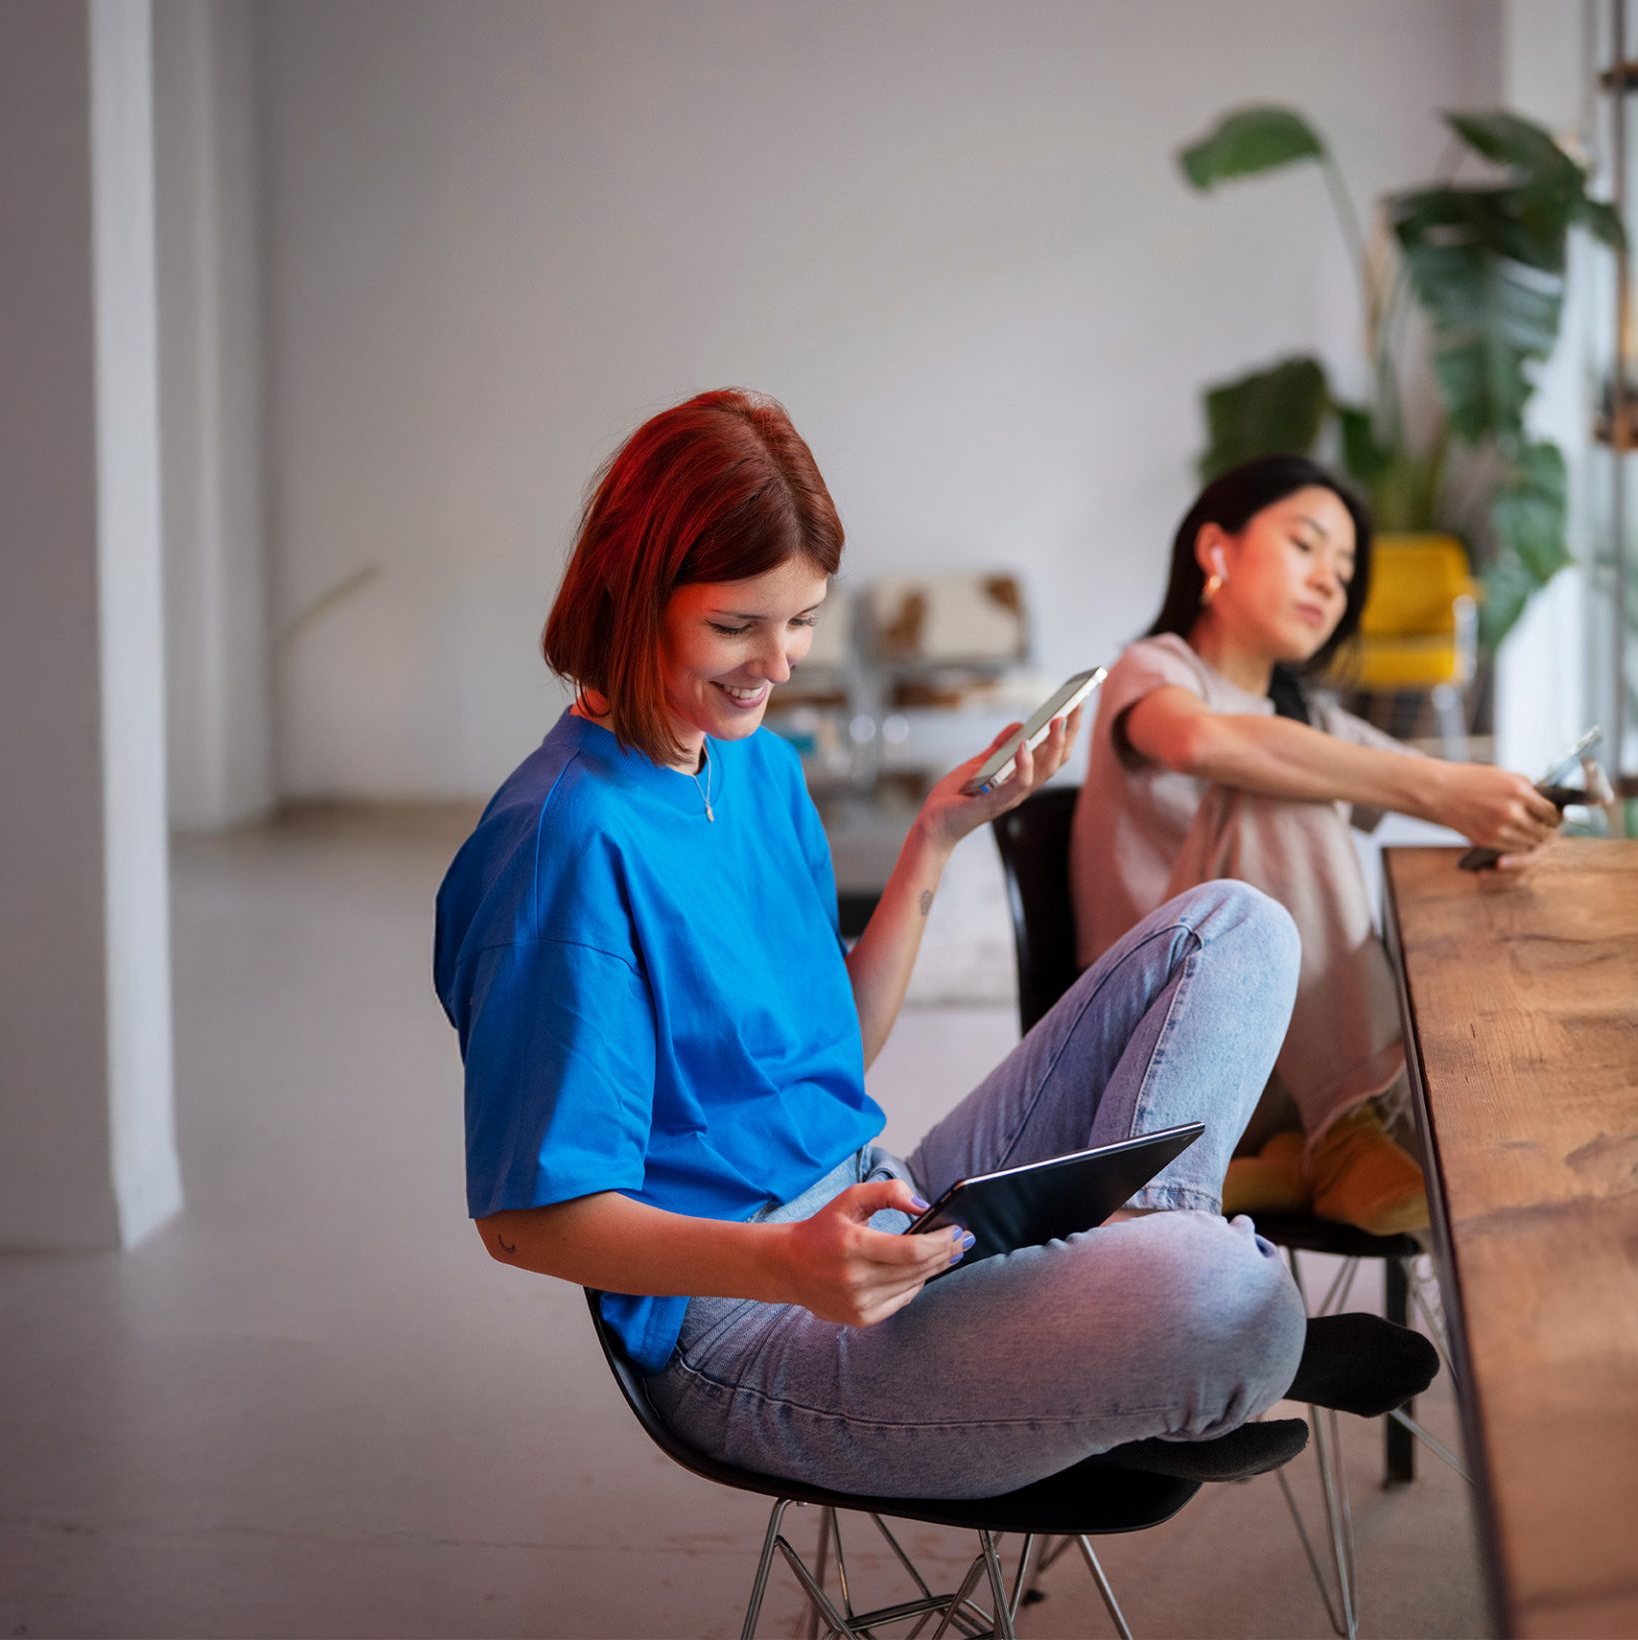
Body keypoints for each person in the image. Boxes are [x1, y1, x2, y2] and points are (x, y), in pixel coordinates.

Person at [435, 391, 1436, 1501]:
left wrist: (935, 839)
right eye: (737, 626)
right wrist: (787, 1266)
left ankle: (1154, 1310)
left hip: (881, 1199)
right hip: (747, 1328)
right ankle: (1180, 1325)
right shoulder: (558, 845)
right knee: (1217, 1292)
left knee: (1239, 925)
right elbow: (525, 1224)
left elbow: (830, 1061)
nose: (779, 663)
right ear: (630, 593)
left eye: (803, 618)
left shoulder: (752, 764)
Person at [1070, 456, 1560, 1237]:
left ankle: (1295, 1155)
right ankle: (1347, 1138)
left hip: (1265, 1054)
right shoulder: (1154, 669)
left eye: (1345, 570)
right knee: (1273, 778)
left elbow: (1413, 776)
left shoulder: (1304, 718)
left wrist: (1508, 811)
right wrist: (1436, 792)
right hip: (1153, 1050)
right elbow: (1202, 742)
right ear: (1217, 551)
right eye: (1307, 546)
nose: (1331, 583)